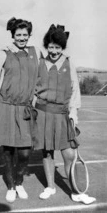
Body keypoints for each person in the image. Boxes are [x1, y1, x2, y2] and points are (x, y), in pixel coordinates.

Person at [33, 24, 96, 204]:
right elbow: (33, 90)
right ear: (47, 46)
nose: (53, 51)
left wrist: (73, 113)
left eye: (57, 47)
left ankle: (76, 192)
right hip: (43, 113)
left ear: (63, 47)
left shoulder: (69, 63)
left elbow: (75, 90)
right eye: (51, 47)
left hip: (62, 115)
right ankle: (50, 187)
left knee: (69, 154)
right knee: (47, 153)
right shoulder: (40, 63)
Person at [0, 17, 41, 203]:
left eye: (25, 35)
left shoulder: (35, 52)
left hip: (25, 108)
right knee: (8, 151)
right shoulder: (3, 53)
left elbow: (41, 80)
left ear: (29, 35)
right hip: (5, 107)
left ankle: (19, 180)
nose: (22, 38)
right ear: (12, 35)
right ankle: (11, 186)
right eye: (18, 35)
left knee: (24, 152)